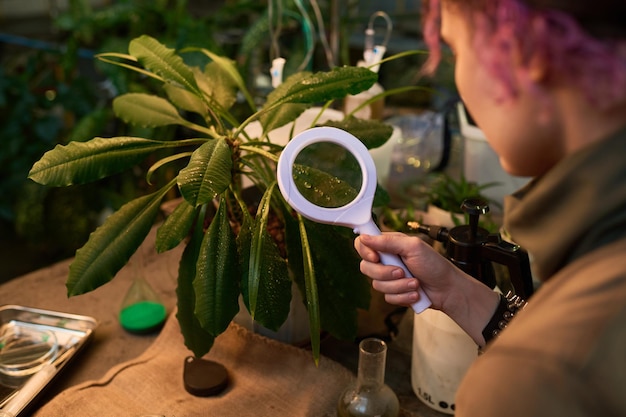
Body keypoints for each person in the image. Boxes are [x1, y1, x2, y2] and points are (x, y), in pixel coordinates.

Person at [354, 0, 626, 415]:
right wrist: (461, 295)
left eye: (457, 49)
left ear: (527, 49)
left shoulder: (532, 382)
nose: (459, 76)